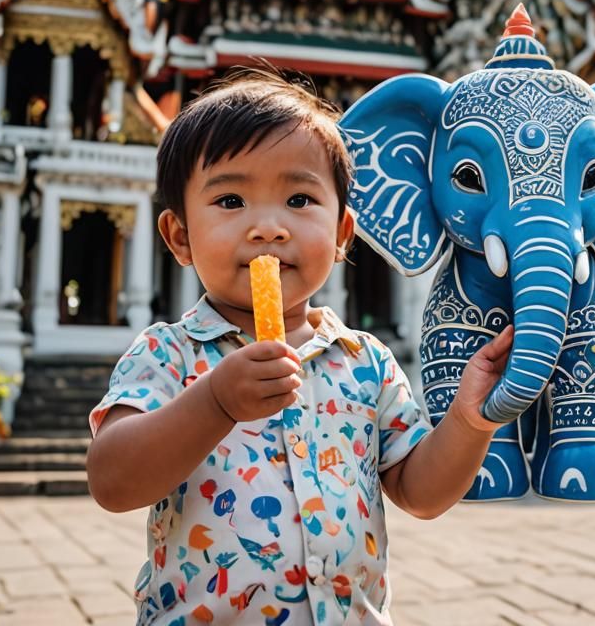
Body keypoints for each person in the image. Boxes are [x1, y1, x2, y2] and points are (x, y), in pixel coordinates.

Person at [85, 70, 516, 625]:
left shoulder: (366, 363)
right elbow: (113, 481)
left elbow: (421, 492)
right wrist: (215, 402)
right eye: (232, 199)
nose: (269, 227)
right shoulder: (168, 354)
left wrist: (470, 419)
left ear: (341, 234)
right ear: (180, 237)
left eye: (298, 198)